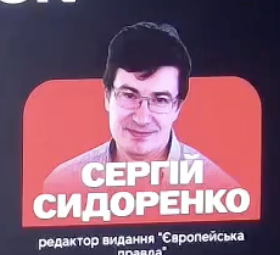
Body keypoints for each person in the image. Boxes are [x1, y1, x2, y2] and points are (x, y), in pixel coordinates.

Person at [41, 22, 238, 193]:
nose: (142, 118)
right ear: (107, 96)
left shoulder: (220, 190)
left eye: (160, 100)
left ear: (177, 107)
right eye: (129, 95)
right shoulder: (62, 185)